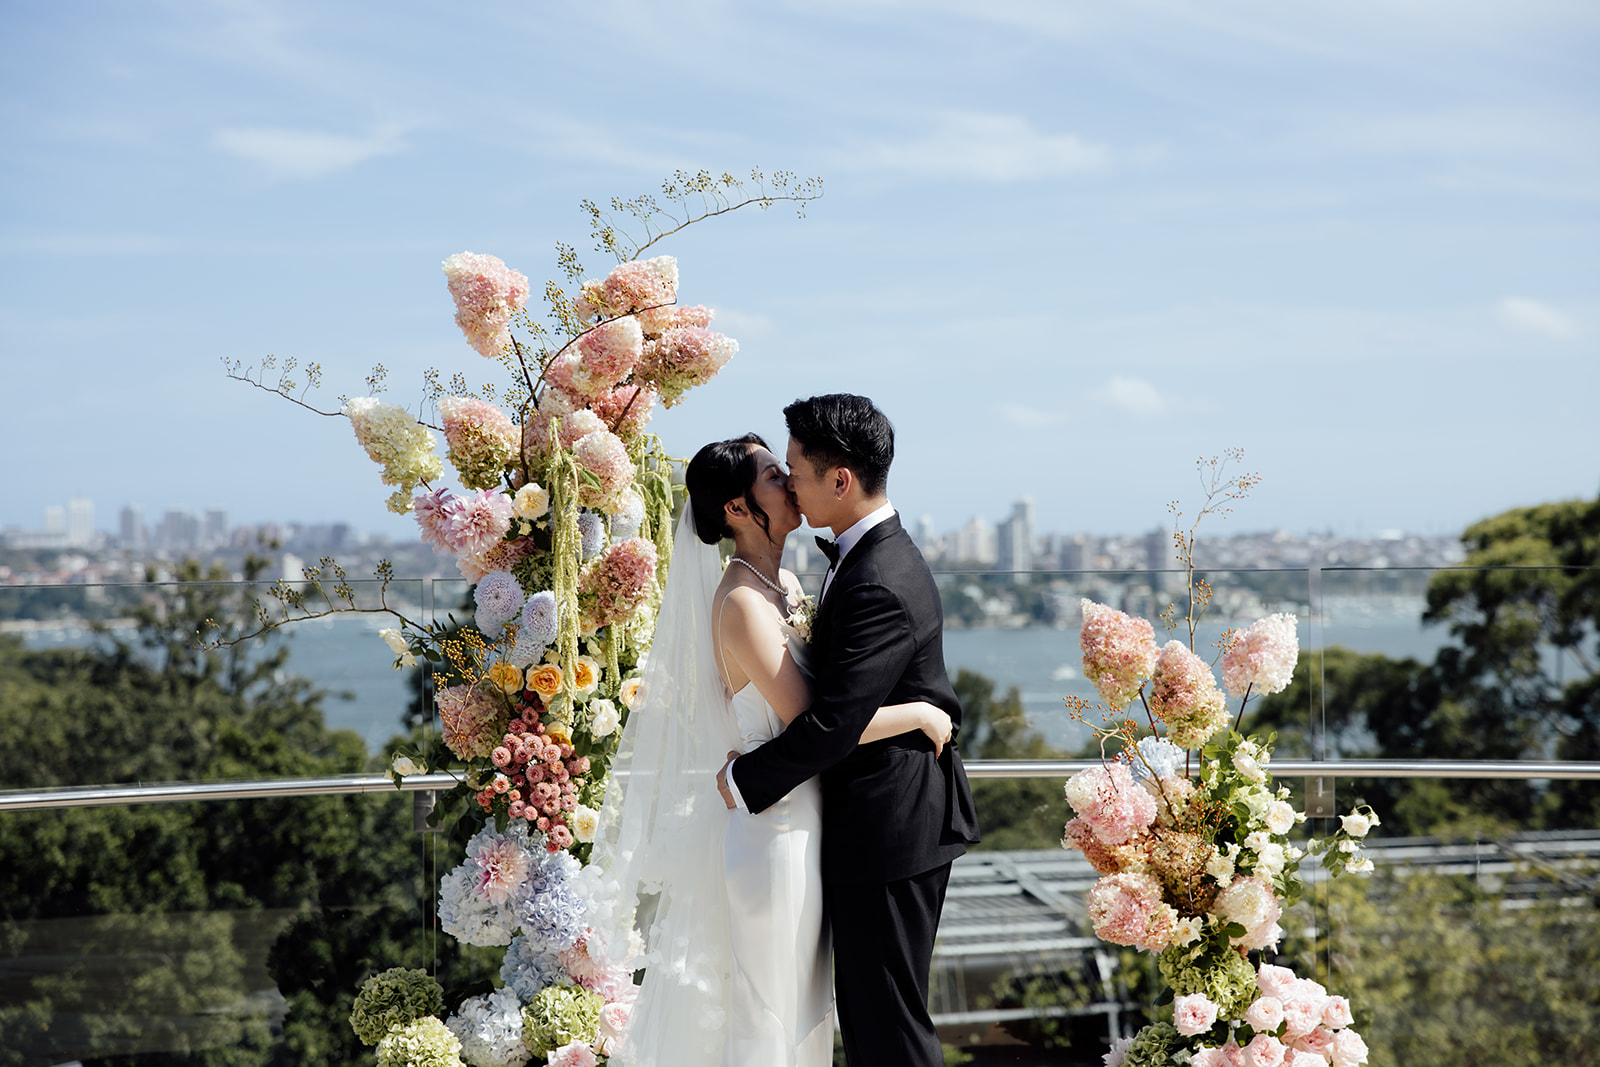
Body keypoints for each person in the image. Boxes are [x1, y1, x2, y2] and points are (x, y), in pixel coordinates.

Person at [593, 431, 953, 1067]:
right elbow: (816, 720)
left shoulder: (783, 583)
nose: (789, 484)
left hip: (808, 817)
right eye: (771, 476)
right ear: (736, 509)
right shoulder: (742, 603)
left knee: (804, 1014)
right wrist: (918, 714)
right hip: (776, 832)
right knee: (772, 1016)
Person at [719, 395, 982, 1067]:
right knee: (870, 1022)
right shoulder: (861, 557)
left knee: (888, 1027)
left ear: (840, 480)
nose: (790, 484)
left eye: (796, 470)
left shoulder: (879, 579)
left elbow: (832, 721)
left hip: (891, 828)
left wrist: (743, 778)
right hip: (874, 824)